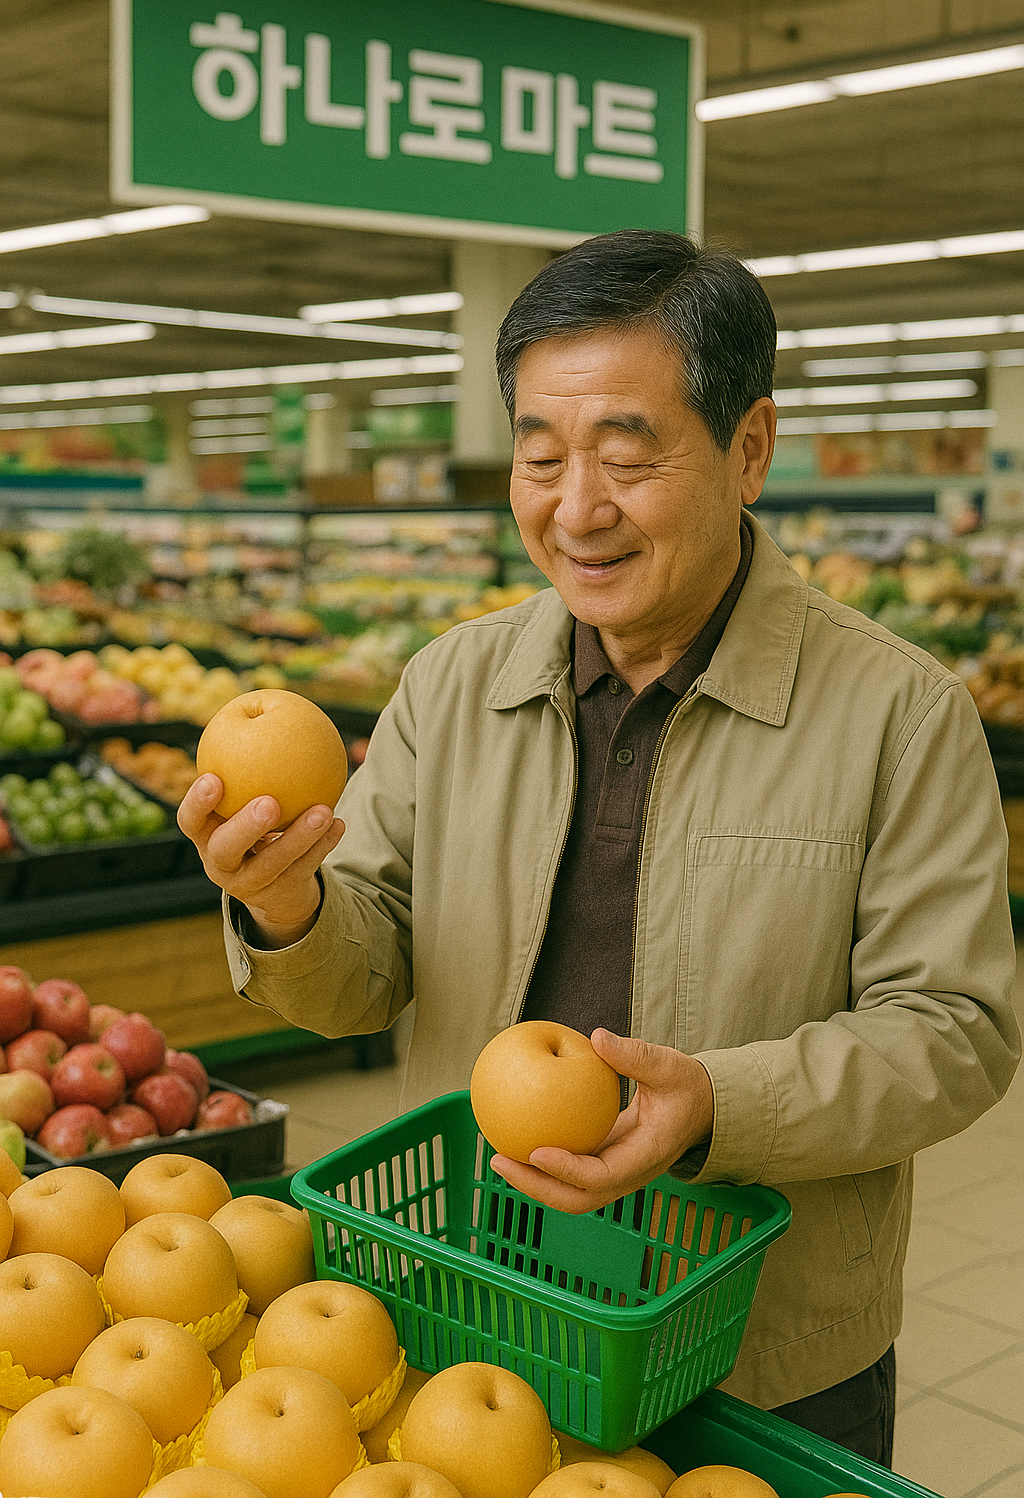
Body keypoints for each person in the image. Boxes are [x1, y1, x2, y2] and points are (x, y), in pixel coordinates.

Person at [179, 230, 1020, 1468]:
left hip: (757, 1348)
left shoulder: (898, 716)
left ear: (749, 449)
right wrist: (290, 907)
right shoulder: (451, 685)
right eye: (539, 456)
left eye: (628, 456)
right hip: (476, 1308)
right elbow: (367, 972)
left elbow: (955, 1030)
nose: (577, 510)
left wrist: (717, 1107)